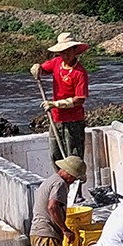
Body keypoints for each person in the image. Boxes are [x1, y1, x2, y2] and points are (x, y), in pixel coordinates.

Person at [31, 32, 90, 163]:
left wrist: (56, 104)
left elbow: (80, 99)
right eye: (62, 52)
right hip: (56, 118)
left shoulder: (79, 73)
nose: (65, 55)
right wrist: (37, 68)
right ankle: (61, 180)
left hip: (73, 121)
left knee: (73, 157)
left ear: (75, 50)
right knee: (55, 155)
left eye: (68, 51)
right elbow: (43, 69)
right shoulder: (57, 62)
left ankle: (76, 181)